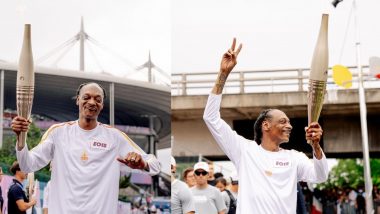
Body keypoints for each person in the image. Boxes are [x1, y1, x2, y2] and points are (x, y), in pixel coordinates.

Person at [203, 38, 329, 213]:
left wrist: (316, 147)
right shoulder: (244, 152)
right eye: (283, 121)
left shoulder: (294, 158)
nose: (290, 126)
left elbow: (320, 176)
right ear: (266, 125)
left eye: (289, 122)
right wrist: (222, 75)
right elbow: (210, 117)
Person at [11, 82, 161, 214]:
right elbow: (27, 165)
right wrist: (20, 138)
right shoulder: (58, 133)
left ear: (102, 105)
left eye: (98, 99)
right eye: (86, 97)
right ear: (78, 100)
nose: (92, 102)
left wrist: (143, 164)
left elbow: (155, 165)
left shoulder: (114, 137)